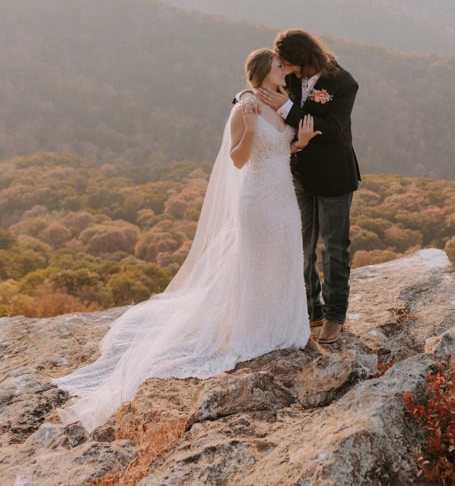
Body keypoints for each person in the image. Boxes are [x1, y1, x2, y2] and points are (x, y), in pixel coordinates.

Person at [53, 49, 318, 432]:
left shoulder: (283, 104)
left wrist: (303, 142)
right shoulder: (244, 107)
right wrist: (245, 126)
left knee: (285, 257)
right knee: (255, 263)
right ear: (262, 73)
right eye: (279, 66)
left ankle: (285, 324)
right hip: (258, 198)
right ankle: (254, 328)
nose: (285, 70)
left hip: (284, 198)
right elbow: (240, 159)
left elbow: (281, 149)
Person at [257, 29, 360, 346]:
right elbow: (262, 89)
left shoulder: (343, 83)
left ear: (303, 58)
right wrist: (246, 101)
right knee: (300, 246)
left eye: (288, 64)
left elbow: (332, 128)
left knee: (334, 249)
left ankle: (334, 317)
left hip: (334, 176)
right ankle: (311, 310)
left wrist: (288, 109)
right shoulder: (288, 79)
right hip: (298, 172)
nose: (285, 70)